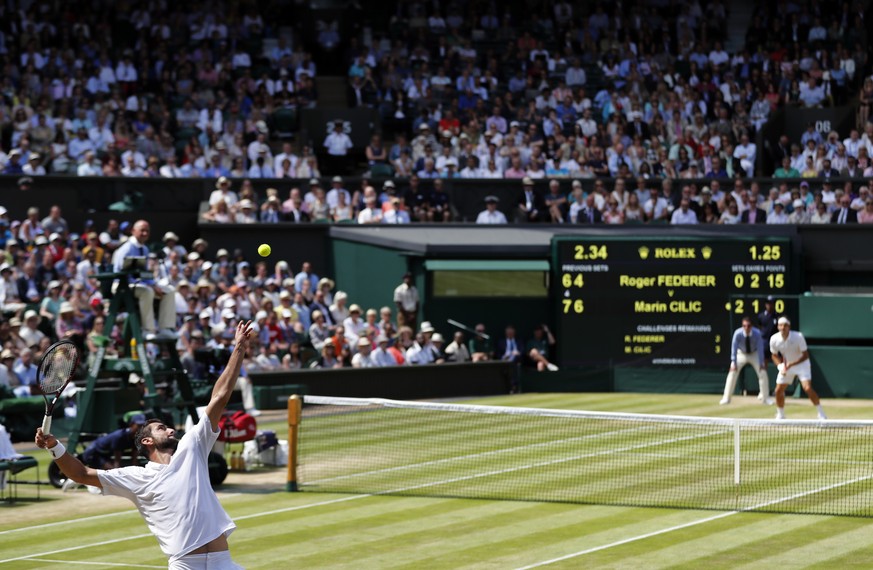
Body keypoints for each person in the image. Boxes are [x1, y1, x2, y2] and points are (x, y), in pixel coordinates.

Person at [36, 321, 254, 569]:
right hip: (185, 564)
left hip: (222, 561)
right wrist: (55, 447)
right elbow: (80, 474)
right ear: (147, 441)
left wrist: (238, 349)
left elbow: (219, 396)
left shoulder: (193, 447)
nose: (171, 429)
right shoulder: (135, 477)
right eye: (162, 428)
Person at [111, 220, 177, 338]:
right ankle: (148, 330)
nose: (145, 233)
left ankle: (165, 328)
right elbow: (119, 273)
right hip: (121, 285)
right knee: (147, 292)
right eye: (142, 230)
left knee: (169, 291)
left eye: (147, 231)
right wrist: (148, 286)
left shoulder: (145, 249)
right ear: (133, 231)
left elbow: (144, 273)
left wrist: (153, 285)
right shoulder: (125, 249)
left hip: (139, 285)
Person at [769, 317, 826, 420]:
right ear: (778, 327)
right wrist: (780, 366)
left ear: (789, 327)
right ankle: (780, 414)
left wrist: (791, 364)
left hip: (802, 364)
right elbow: (774, 355)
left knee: (807, 388)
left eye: (785, 325)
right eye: (780, 325)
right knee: (778, 391)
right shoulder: (774, 339)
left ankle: (821, 413)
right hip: (787, 366)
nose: (783, 327)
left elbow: (805, 355)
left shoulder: (798, 336)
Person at [719, 316, 774, 405]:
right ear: (742, 326)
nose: (746, 328)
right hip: (741, 353)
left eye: (748, 326)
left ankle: (766, 398)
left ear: (751, 326)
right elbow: (734, 347)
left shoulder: (757, 333)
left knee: (762, 373)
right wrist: (733, 361)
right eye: (744, 326)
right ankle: (726, 398)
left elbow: (760, 348)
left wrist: (761, 363)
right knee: (732, 372)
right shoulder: (738, 333)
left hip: (754, 353)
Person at [80, 414, 147, 470]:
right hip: (93, 453)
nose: (141, 429)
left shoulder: (136, 438)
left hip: (105, 455)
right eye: (139, 426)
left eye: (143, 426)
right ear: (131, 424)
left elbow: (134, 459)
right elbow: (117, 461)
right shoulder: (120, 436)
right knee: (110, 471)